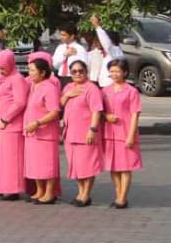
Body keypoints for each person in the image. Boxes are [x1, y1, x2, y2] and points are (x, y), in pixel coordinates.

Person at [60, 59, 103, 207]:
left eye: (81, 71)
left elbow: (96, 110)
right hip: (70, 133)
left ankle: (86, 194)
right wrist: (68, 95)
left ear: (86, 72)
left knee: (87, 165)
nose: (77, 74)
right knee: (76, 166)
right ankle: (80, 191)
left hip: (85, 133)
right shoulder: (69, 87)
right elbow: (60, 103)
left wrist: (92, 129)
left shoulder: (92, 89)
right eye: (74, 72)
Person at [101, 59, 141, 209]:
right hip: (109, 133)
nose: (114, 74)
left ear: (125, 72)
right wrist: (106, 116)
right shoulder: (105, 90)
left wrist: (131, 135)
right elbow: (99, 111)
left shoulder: (131, 91)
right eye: (112, 71)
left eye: (117, 71)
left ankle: (123, 198)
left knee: (125, 167)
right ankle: (118, 194)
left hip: (125, 132)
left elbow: (135, 114)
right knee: (113, 167)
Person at [22, 58, 61, 205]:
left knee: (47, 164)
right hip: (32, 132)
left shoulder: (49, 87)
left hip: (45, 133)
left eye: (32, 70)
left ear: (42, 72)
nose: (29, 73)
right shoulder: (33, 86)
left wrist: (38, 123)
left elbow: (54, 111)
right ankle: (39, 190)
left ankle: (49, 192)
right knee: (35, 163)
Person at [0, 50, 28, 201]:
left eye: (3, 66)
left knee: (12, 158)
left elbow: (20, 102)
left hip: (12, 123)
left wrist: (6, 118)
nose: (0, 69)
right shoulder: (0, 76)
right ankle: (3, 187)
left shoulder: (17, 78)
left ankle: (13, 189)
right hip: (0, 122)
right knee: (2, 157)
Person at [86, 14, 124, 88]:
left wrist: (97, 26)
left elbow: (106, 43)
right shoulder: (108, 53)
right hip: (103, 85)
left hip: (110, 86)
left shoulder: (115, 51)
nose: (99, 43)